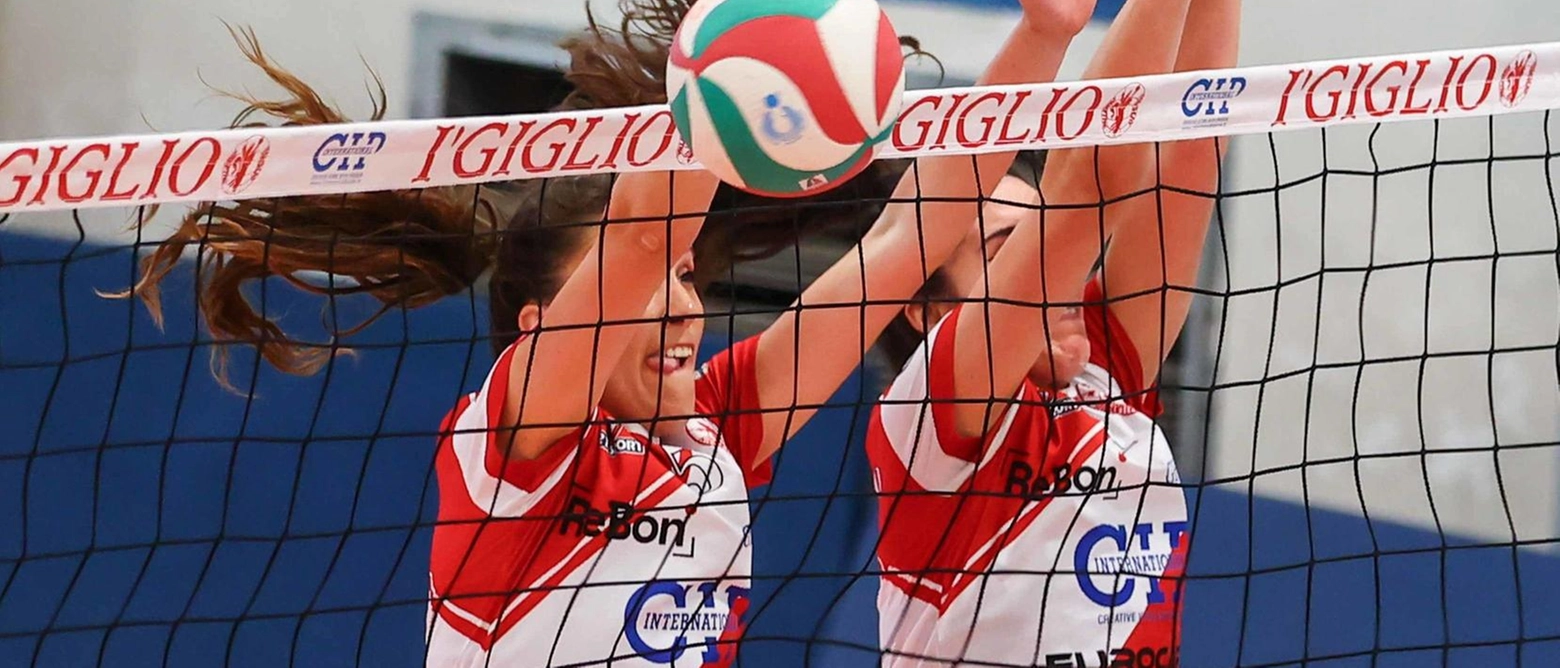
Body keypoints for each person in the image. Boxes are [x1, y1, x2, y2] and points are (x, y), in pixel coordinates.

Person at [115, 0, 1098, 665]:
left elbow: (910, 236)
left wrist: (1046, 37)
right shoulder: (513, 448)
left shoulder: (719, 433)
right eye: (644, 287)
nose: (682, 303)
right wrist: (730, 54)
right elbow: (640, 231)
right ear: (540, 328)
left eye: (683, 277)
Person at [865, 0, 1240, 665]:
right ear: (926, 311)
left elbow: (1192, 155)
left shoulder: (1104, 375)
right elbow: (1090, 186)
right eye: (1012, 251)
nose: (1058, 272)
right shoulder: (931, 405)